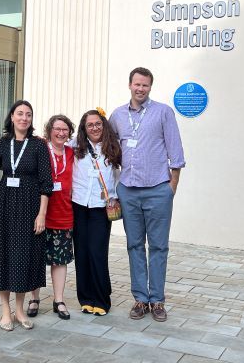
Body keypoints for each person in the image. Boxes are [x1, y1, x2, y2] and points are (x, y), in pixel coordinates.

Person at [109, 67, 185, 322]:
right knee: (134, 246)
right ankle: (141, 299)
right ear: (129, 85)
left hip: (157, 190)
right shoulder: (118, 115)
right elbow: (106, 147)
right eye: (137, 84)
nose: (140, 89)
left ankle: (158, 300)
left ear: (150, 87)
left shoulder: (163, 112)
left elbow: (176, 153)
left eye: (145, 85)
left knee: (159, 246)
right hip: (129, 191)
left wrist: (170, 188)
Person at [0, 100, 53, 331]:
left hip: (30, 208)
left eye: (29, 115)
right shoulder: (3, 144)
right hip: (4, 207)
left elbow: (46, 183)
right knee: (4, 255)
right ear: (12, 117)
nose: (24, 118)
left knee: (24, 258)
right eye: (20, 114)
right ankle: (5, 311)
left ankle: (20, 310)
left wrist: (41, 214)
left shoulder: (38, 145)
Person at [71, 108, 121, 316]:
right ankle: (86, 298)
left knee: (97, 253)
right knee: (81, 253)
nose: (94, 128)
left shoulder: (113, 147)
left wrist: (115, 196)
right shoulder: (75, 146)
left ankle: (101, 299)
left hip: (102, 207)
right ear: (84, 128)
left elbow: (120, 174)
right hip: (79, 205)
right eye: (90, 125)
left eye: (98, 124)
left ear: (104, 125)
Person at [27, 115, 75, 320]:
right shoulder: (40, 148)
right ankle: (34, 298)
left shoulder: (73, 153)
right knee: (35, 259)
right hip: (38, 214)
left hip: (64, 214)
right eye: (57, 129)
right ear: (49, 130)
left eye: (65, 130)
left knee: (60, 260)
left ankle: (58, 299)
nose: (61, 133)